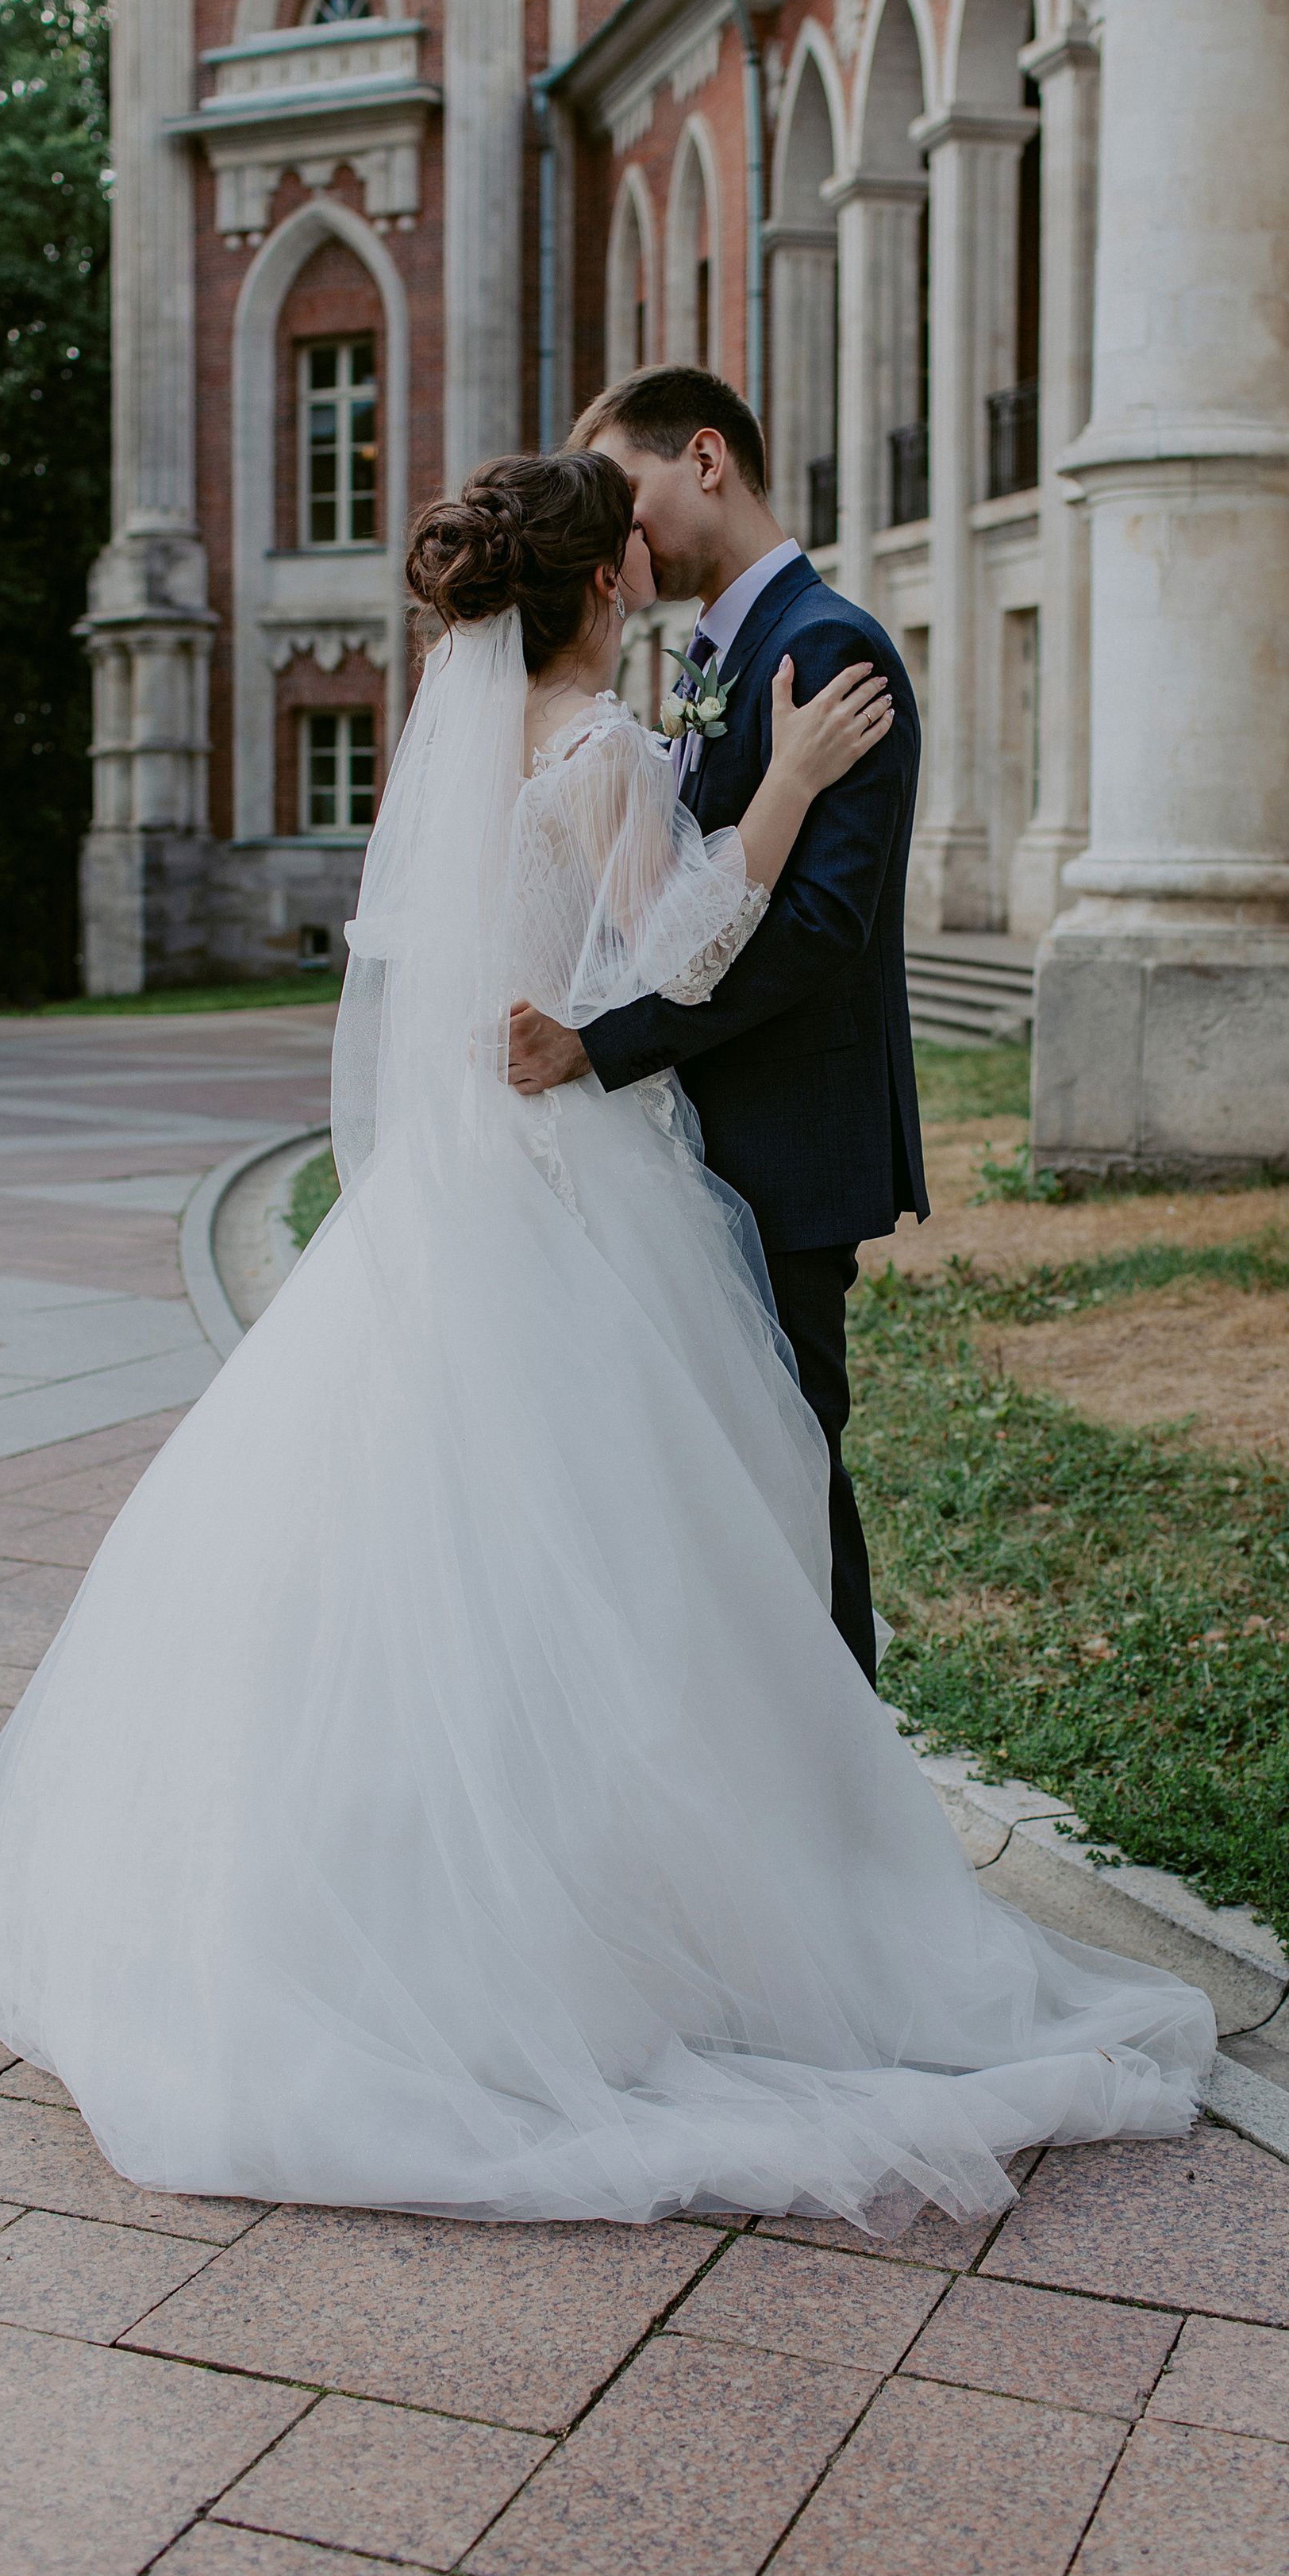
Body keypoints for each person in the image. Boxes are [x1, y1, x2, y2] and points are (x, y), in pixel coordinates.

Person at [0, 448, 1212, 2225]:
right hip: (579, 1184)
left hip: (455, 1192)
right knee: (636, 1552)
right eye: (627, 548)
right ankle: (642, 1934)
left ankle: (389, 1918)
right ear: (605, 591)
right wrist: (784, 784)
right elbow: (693, 943)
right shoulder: (597, 748)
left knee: (439, 1552)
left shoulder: (454, 742)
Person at [506, 367, 922, 1685]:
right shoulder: (707, 657)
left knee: (792, 1486)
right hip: (685, 1150)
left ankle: (848, 1817)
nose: (617, 543)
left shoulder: (830, 643)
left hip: (785, 1140)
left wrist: (602, 1045)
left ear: (705, 460)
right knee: (716, 1504)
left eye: (624, 498)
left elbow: (816, 932)